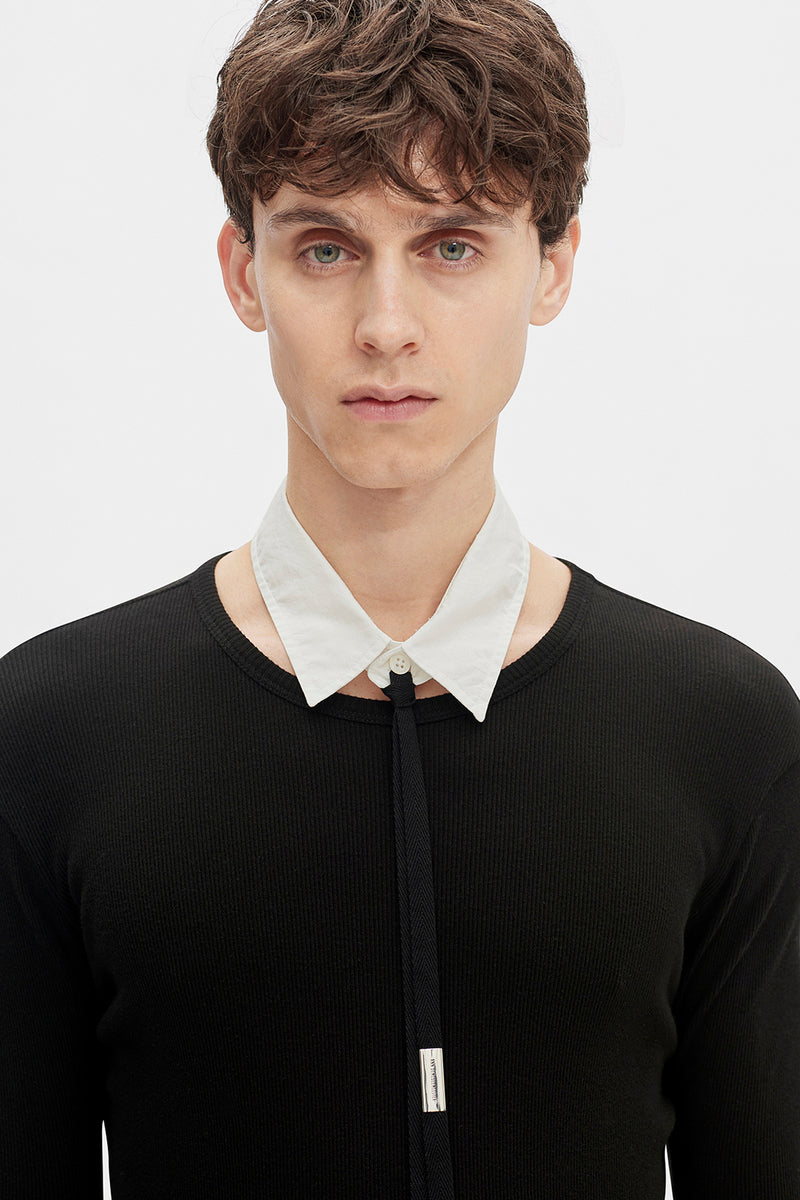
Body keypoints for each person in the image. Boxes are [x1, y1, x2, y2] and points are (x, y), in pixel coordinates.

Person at [1, 0, 798, 1196]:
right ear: (244, 273)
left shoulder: (719, 729)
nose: (385, 328)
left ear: (552, 266)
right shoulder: (49, 733)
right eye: (325, 248)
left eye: (451, 246)